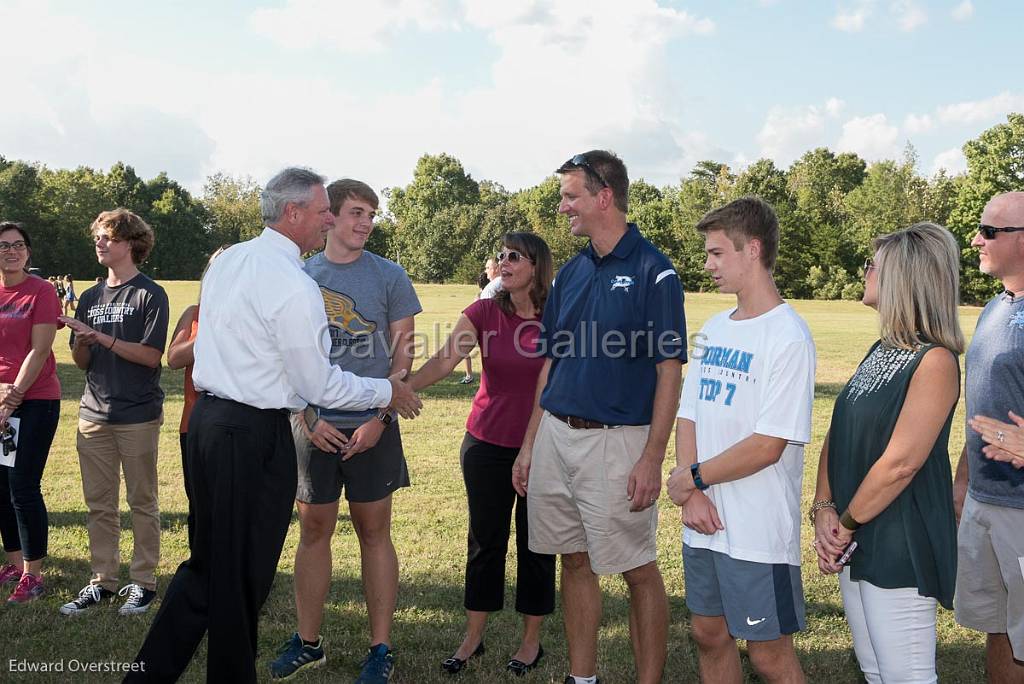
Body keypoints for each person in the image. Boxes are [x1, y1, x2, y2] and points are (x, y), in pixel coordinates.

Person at [125, 168, 422, 683]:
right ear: (294, 214)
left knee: (210, 565)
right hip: (252, 434)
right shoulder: (294, 284)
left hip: (209, 426)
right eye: (323, 210)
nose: (328, 218)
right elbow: (320, 384)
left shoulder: (231, 261)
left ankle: (149, 675)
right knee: (242, 575)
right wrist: (386, 392)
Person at [512, 150, 686, 684]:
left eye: (570, 196)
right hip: (558, 437)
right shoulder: (570, 273)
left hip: (618, 443)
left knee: (636, 569)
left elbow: (669, 371)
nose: (562, 207)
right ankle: (581, 678)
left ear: (603, 197)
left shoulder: (654, 271)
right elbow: (552, 363)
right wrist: (529, 445)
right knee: (574, 560)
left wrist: (652, 458)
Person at [269, 179, 421, 683]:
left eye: (372, 214)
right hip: (314, 426)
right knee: (314, 530)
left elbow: (404, 355)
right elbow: (283, 357)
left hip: (372, 425)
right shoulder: (300, 274)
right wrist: (306, 417)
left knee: (374, 532)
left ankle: (381, 648)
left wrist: (381, 419)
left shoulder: (389, 275)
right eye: (356, 212)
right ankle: (308, 642)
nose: (366, 223)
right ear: (329, 216)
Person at [666, 196, 816, 684]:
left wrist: (690, 479)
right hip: (703, 519)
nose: (707, 264)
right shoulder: (712, 328)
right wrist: (695, 494)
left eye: (716, 253)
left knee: (768, 654)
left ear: (752, 250)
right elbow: (687, 414)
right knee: (708, 634)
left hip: (757, 528)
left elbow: (768, 444)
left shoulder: (788, 336)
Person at [812, 223, 962, 683]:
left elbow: (901, 464)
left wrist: (845, 525)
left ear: (904, 277)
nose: (864, 272)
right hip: (855, 534)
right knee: (876, 671)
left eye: (871, 265)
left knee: (906, 677)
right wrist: (823, 508)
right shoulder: (882, 350)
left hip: (899, 542)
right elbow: (838, 434)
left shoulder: (934, 360)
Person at [411, 233, 556, 678]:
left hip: (542, 447)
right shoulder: (484, 311)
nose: (504, 262)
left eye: (515, 256)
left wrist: (530, 449)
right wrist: (400, 389)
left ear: (537, 266)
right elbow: (442, 360)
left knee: (537, 544)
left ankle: (531, 642)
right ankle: (473, 637)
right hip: (486, 445)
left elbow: (551, 388)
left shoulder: (558, 318)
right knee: (485, 541)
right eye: (501, 256)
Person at [58, 209, 170, 617]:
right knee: (99, 504)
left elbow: (150, 356)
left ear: (130, 243)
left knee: (142, 501)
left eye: (107, 237)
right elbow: (83, 362)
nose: (99, 243)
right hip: (93, 414)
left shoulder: (149, 294)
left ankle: (143, 582)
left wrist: (100, 337)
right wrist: (82, 340)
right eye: (98, 237)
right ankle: (102, 581)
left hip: (137, 414)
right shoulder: (89, 296)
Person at [953, 191, 1024, 680]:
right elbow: (982, 403)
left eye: (990, 231)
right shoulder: (995, 307)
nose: (976, 239)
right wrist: (963, 479)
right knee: (999, 628)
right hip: (985, 499)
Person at [0, 221, 62, 604]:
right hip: (1, 400)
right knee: (1, 488)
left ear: (29, 252)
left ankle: (32, 575)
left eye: (18, 245)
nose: (11, 251)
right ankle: (11, 562)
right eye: (4, 246)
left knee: (23, 486)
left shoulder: (42, 291)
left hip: (35, 399)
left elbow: (39, 351)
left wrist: (12, 398)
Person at [165, 246, 230, 551]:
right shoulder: (194, 314)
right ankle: (201, 570)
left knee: (236, 506)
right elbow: (174, 358)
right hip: (194, 425)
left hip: (241, 425)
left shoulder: (259, 314)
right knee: (200, 505)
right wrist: (213, 332)